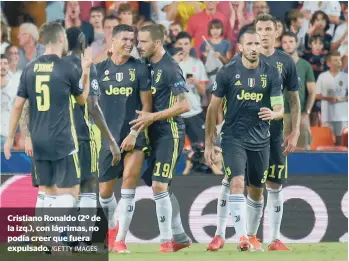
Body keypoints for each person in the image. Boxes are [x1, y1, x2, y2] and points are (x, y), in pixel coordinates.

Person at [207, 14, 301, 252]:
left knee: (266, 186)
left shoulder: (279, 67)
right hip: (235, 135)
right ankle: (225, 234)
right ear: (245, 43)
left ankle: (262, 237)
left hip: (269, 136)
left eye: (267, 30)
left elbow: (290, 101)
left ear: (274, 33)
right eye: (257, 33)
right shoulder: (230, 70)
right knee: (233, 180)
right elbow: (214, 106)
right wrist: (211, 140)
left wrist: (290, 125)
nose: (262, 37)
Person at [3, 22, 92, 252]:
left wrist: (9, 139)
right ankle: (44, 229)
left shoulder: (30, 68)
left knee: (48, 191)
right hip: (62, 140)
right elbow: (83, 101)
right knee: (72, 193)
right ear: (61, 39)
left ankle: (47, 241)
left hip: (37, 140)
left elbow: (18, 106)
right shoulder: (66, 67)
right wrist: (87, 72)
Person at [131, 24, 191, 252]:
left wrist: (153, 116)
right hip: (152, 133)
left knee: (158, 185)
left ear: (157, 43)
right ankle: (180, 236)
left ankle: (166, 241)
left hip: (170, 132)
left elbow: (184, 104)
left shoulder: (170, 68)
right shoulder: (145, 64)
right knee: (160, 186)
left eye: (143, 42)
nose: (139, 46)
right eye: (138, 41)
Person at [95, 24, 152, 253]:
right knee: (105, 194)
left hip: (134, 136)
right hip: (108, 140)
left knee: (129, 180)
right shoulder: (99, 70)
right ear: (113, 39)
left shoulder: (139, 68)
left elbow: (147, 105)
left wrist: (134, 133)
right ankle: (111, 229)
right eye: (126, 39)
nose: (130, 43)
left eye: (133, 39)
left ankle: (120, 239)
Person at [64, 27, 121, 249]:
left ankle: (63, 239)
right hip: (83, 137)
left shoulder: (53, 68)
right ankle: (82, 241)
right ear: (81, 44)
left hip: (59, 137)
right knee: (88, 188)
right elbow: (93, 107)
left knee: (64, 190)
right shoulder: (86, 67)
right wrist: (111, 140)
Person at [282, 32, 316, 149]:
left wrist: (307, 112)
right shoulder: (277, 65)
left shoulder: (305, 65)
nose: (288, 45)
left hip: (301, 113)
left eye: (291, 41)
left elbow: (312, 92)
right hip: (281, 113)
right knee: (282, 149)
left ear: (296, 43)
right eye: (285, 42)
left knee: (304, 148)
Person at [316, 51, 348, 145]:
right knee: (327, 140)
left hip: (342, 115)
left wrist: (342, 98)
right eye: (335, 60)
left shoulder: (346, 77)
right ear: (328, 63)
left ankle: (339, 159)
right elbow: (317, 95)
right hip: (327, 114)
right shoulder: (322, 76)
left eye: (339, 60)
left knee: (340, 140)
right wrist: (329, 98)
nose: (338, 62)